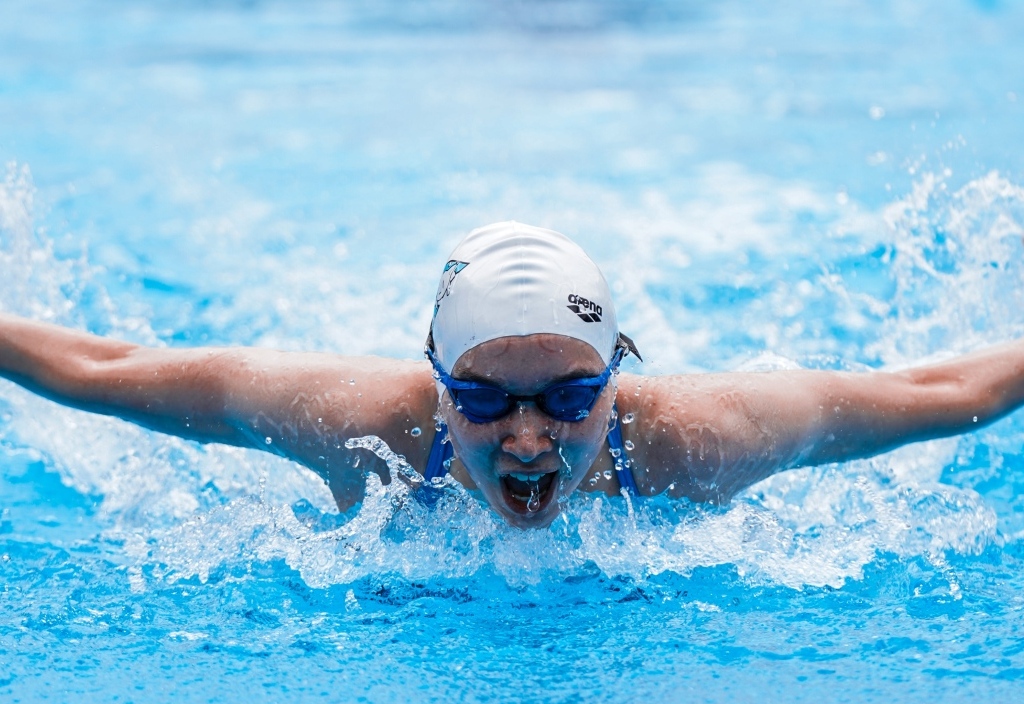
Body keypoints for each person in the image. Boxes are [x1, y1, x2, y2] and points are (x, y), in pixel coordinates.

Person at [1, 221, 1023, 529]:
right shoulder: (364, 427)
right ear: (437, 380)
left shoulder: (702, 438)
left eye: (571, 397)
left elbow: (942, 394)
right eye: (485, 399)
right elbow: (109, 366)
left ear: (618, 374)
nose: (529, 437)